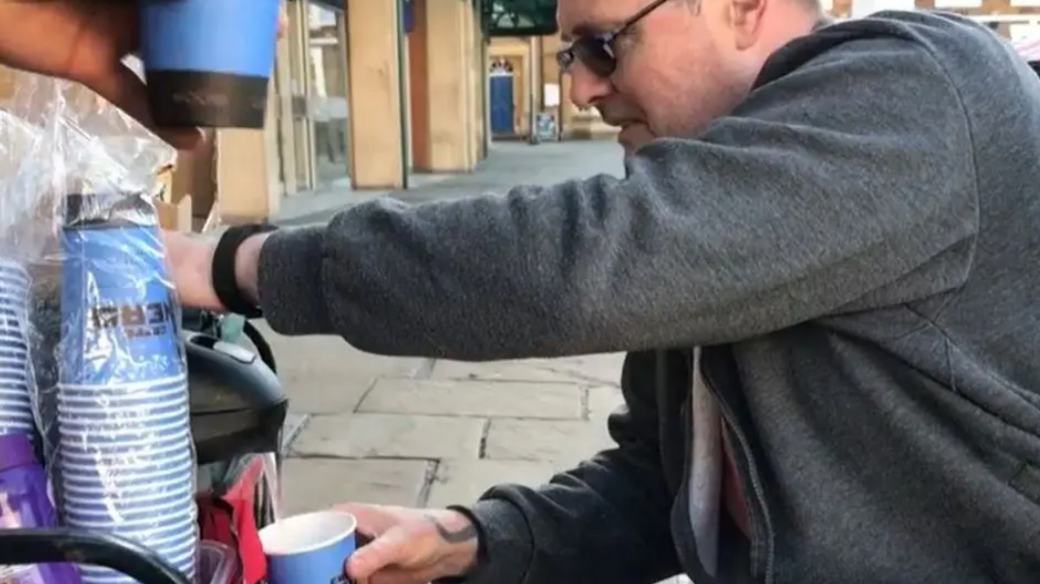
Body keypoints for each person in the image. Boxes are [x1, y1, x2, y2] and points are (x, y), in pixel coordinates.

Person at [3, 0, 1040, 583]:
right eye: (565, 55)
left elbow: (582, 263)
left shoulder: (920, 88)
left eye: (602, 44)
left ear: (739, 7)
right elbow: (656, 486)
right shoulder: (724, 210)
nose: (580, 87)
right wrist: (475, 536)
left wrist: (234, 262)